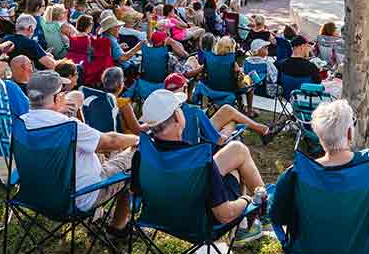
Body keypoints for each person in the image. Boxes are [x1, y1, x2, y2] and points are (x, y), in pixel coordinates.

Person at [136, 89, 267, 241]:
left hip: (159, 216)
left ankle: (254, 217)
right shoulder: (199, 160)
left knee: (237, 150)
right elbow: (225, 215)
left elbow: (137, 192)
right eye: (180, 108)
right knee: (236, 167)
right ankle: (262, 209)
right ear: (178, 117)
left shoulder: (143, 153)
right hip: (198, 224)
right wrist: (248, 200)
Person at [19, 71, 135, 233]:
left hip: (35, 196)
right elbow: (110, 142)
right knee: (135, 156)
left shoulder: (20, 123)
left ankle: (100, 217)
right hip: (78, 199)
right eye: (63, 92)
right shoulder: (68, 126)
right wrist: (137, 140)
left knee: (96, 154)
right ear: (57, 98)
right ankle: (118, 227)